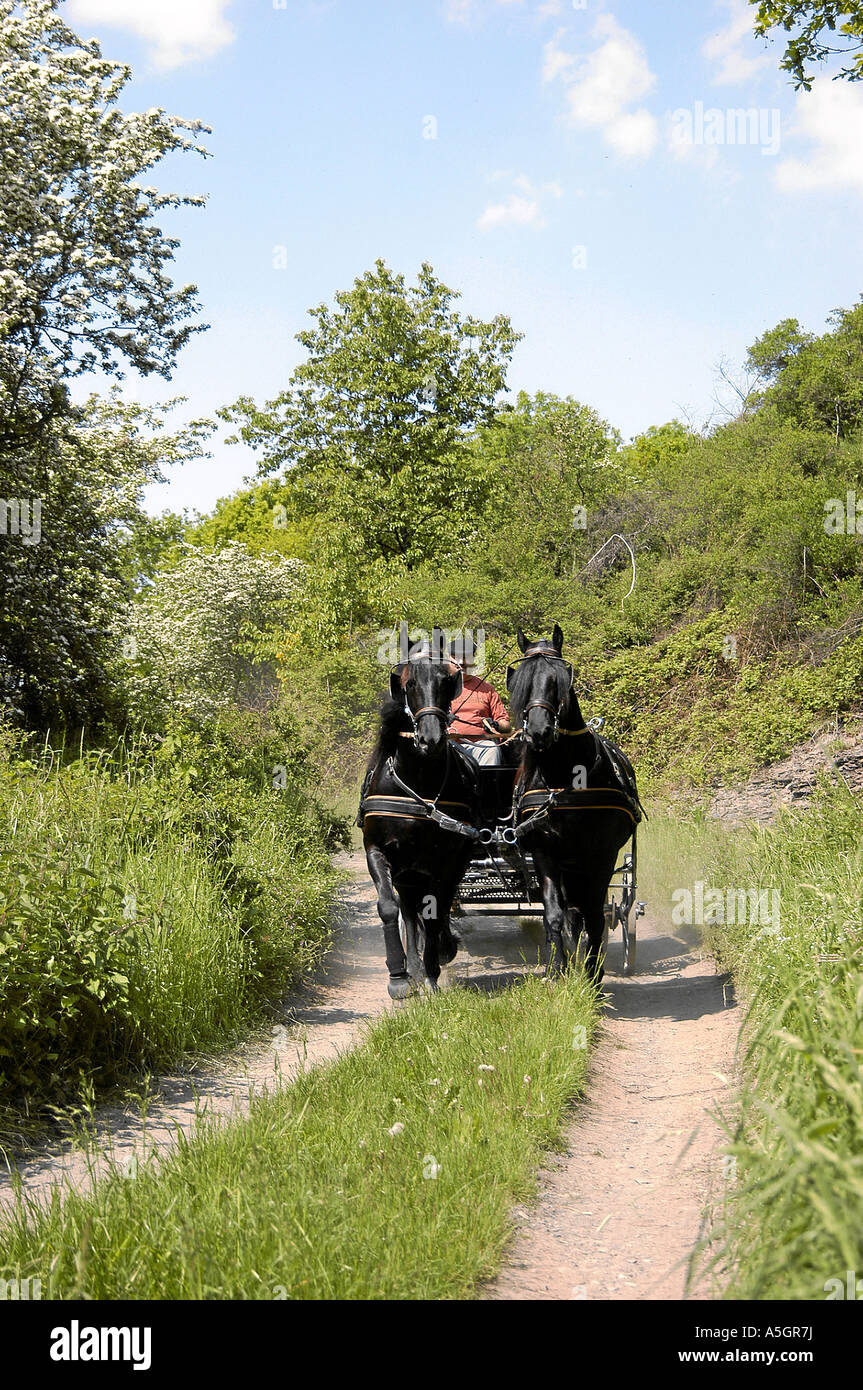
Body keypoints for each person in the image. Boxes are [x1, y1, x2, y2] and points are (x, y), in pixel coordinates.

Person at [447, 637, 512, 767]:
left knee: (491, 749)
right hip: (449, 744)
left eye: (466, 657)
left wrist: (495, 725)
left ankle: (487, 787)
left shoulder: (487, 689)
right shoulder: (436, 687)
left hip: (481, 745)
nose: (461, 662)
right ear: (448, 659)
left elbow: (507, 726)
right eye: (455, 657)